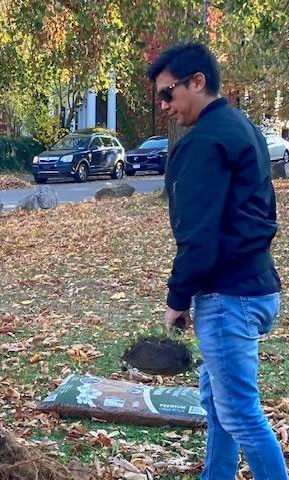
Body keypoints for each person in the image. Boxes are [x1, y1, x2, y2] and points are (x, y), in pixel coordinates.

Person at [147, 42, 286, 479]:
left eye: (168, 93)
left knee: (241, 415)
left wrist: (178, 298)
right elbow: (260, 215)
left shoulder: (204, 142)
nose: (163, 104)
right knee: (218, 402)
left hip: (230, 297)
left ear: (198, 82)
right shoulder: (242, 128)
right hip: (257, 289)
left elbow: (199, 236)